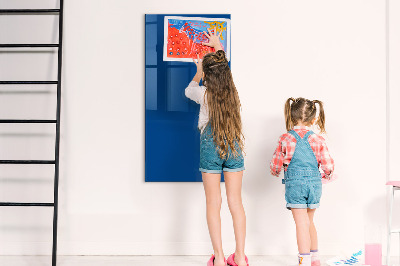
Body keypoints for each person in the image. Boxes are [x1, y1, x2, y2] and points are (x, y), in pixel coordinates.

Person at [185, 28, 249, 266]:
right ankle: (240, 258)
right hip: (233, 146)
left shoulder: (204, 94)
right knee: (236, 202)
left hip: (210, 148)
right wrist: (218, 46)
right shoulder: (233, 93)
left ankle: (220, 259)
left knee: (213, 203)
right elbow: (224, 70)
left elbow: (188, 90)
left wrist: (198, 71)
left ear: (208, 77)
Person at [270, 98, 335, 266]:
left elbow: (275, 164)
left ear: (291, 117)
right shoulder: (318, 139)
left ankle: (304, 261)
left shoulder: (285, 138)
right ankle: (315, 260)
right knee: (309, 222)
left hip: (295, 186)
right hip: (314, 185)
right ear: (313, 120)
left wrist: (276, 171)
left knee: (301, 224)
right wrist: (327, 176)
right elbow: (328, 165)